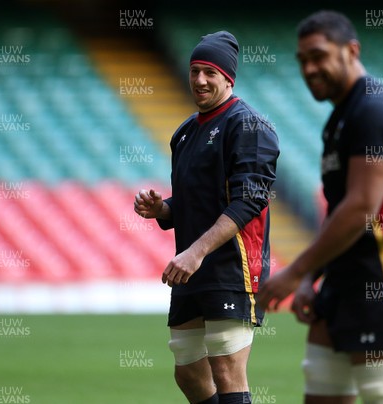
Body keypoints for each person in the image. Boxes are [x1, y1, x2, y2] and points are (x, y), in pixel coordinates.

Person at [257, 10, 383, 404]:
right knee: (321, 390)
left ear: (352, 51)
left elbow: (360, 208)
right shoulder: (339, 118)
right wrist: (310, 278)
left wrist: (295, 271)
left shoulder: (374, 110)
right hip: (341, 283)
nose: (309, 69)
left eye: (319, 56)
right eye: (302, 61)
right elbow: (339, 211)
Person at [134, 31, 279, 404]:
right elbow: (193, 201)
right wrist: (162, 209)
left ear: (228, 78)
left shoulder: (249, 126)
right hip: (192, 266)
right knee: (188, 371)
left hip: (232, 266)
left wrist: (196, 252)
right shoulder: (184, 133)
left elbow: (249, 202)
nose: (200, 79)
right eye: (195, 70)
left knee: (227, 368)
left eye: (210, 72)